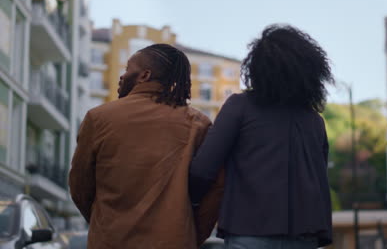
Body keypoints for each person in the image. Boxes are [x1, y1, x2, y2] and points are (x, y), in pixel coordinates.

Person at [189, 25, 334, 249]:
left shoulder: (239, 107)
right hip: (305, 236)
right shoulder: (314, 121)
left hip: (248, 231)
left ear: (257, 67)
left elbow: (203, 169)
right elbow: (319, 180)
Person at [69, 44, 223, 249]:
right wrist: (191, 234)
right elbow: (216, 189)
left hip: (111, 241)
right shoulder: (198, 124)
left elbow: (80, 185)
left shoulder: (98, 118)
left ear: (144, 75)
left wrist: (104, 222)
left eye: (127, 69)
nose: (122, 76)